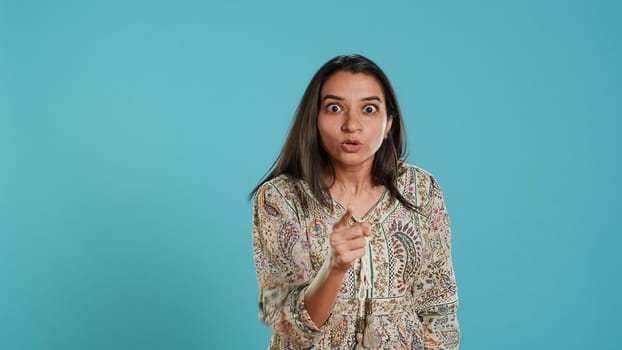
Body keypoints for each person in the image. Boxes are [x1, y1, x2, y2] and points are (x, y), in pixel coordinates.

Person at [250, 54, 459, 349]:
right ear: (314, 119)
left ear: (389, 123)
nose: (352, 125)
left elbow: (440, 311)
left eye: (369, 109)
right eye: (335, 108)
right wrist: (333, 268)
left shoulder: (420, 190)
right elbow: (283, 322)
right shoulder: (279, 198)